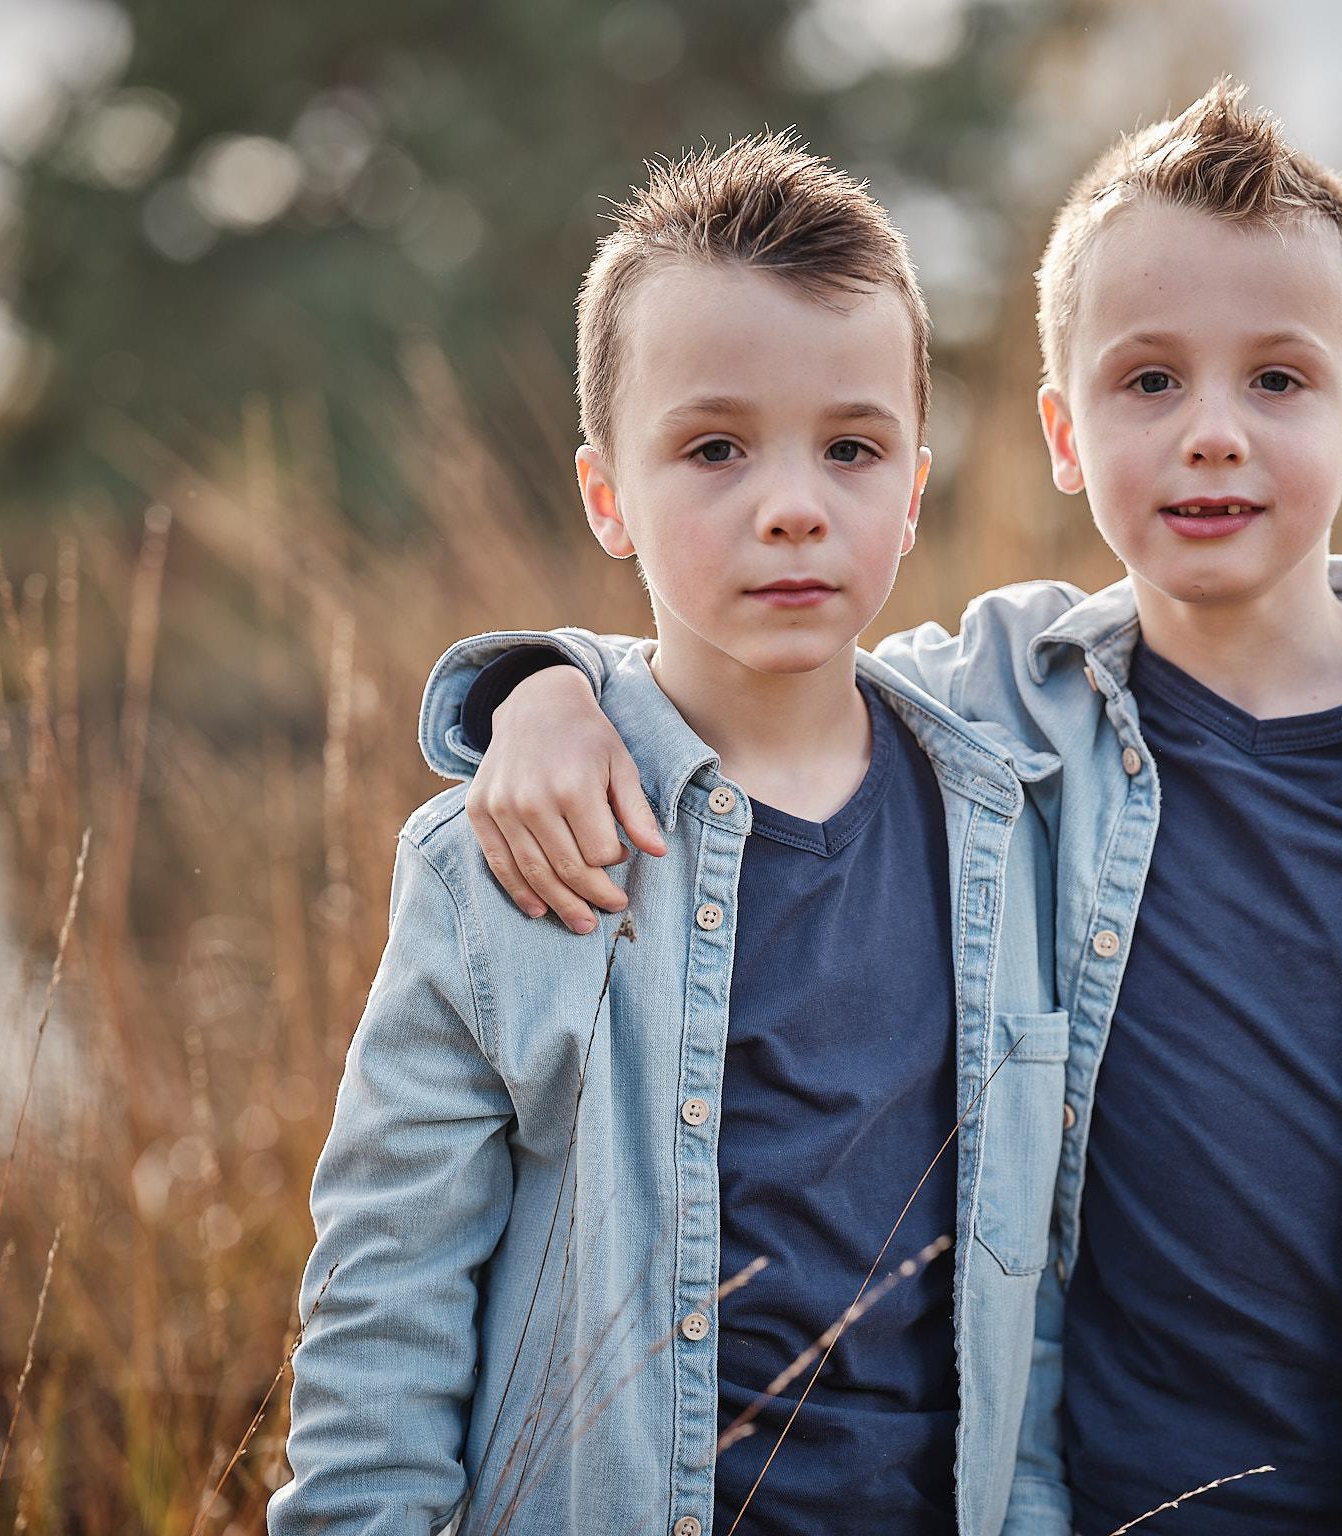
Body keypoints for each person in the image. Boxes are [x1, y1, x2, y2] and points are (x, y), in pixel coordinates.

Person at [420, 82, 1342, 1535]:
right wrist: (543, 689)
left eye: (1280, 381)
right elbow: (739, 675)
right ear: (1062, 430)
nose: (1213, 435)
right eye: (1149, 381)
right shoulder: (994, 708)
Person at [271, 134, 1065, 1536]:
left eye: (853, 448)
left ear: (915, 485)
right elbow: (385, 1296)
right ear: (606, 499)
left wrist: (530, 678)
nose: (794, 504)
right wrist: (539, 694)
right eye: (713, 448)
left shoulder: (1008, 808)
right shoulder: (505, 854)